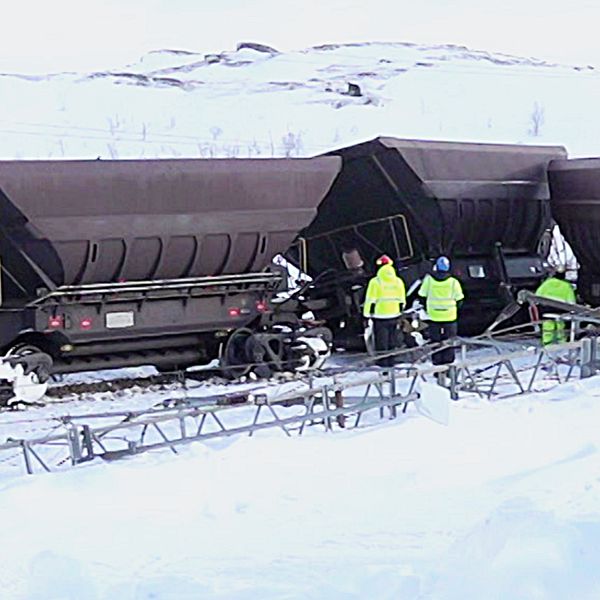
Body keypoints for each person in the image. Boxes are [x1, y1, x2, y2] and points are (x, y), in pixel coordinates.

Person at [418, 255, 464, 365]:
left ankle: (437, 361)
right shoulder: (453, 282)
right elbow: (460, 299)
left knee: (435, 341)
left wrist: (427, 308)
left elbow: (421, 295)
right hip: (449, 315)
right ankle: (449, 362)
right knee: (449, 340)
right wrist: (454, 308)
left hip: (434, 315)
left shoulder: (428, 280)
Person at [362, 255, 406, 367]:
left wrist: (366, 315)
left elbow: (369, 300)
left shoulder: (375, 282)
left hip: (380, 316)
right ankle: (391, 363)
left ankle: (383, 365)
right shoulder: (398, 281)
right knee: (392, 341)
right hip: (394, 315)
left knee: (381, 342)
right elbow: (402, 300)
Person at [535, 265, 576, 344]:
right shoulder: (566, 286)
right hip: (560, 311)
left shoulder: (546, 284)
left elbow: (537, 296)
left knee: (547, 326)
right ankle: (562, 343)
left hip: (546, 309)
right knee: (560, 326)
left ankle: (547, 343)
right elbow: (571, 302)